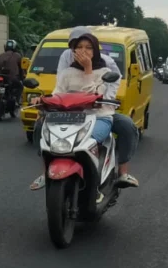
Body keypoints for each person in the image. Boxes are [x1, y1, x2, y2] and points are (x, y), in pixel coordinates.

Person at [56, 27, 140, 188]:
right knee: (41, 126)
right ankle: (45, 172)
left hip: (100, 112)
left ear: (95, 48)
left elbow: (109, 85)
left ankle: (122, 172)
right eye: (78, 46)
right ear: (71, 46)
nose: (83, 51)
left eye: (88, 47)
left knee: (127, 126)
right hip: (72, 115)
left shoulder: (106, 65)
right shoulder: (66, 64)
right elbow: (59, 88)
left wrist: (106, 99)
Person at [0, 39, 25, 110]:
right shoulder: (18, 56)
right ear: (14, 47)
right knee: (20, 87)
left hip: (0, 78)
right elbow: (21, 69)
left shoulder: (0, 56)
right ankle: (17, 101)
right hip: (13, 78)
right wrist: (22, 78)